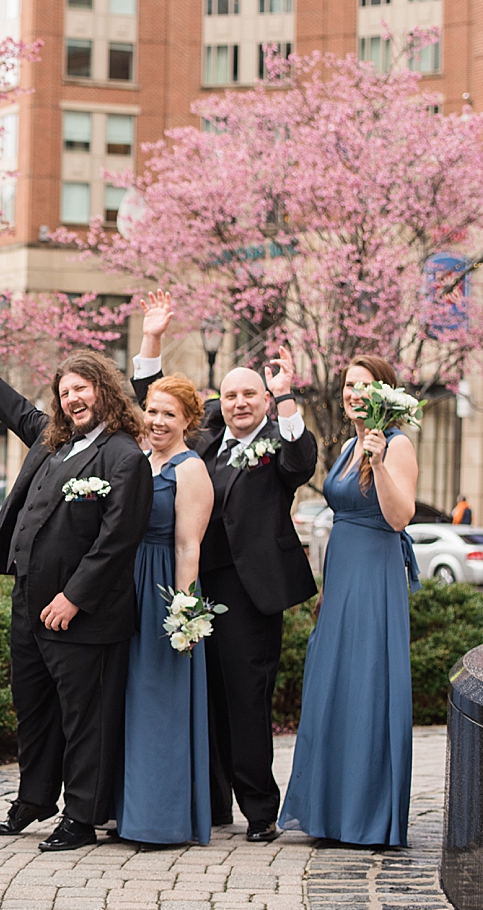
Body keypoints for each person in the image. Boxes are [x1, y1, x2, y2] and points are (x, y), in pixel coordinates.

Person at [131, 311, 317, 843]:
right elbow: (158, 407)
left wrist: (286, 399)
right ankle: (213, 804)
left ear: (263, 401)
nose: (239, 403)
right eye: (231, 395)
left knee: (244, 697)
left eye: (250, 396)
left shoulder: (281, 442)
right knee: (204, 695)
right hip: (198, 582)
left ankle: (260, 810)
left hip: (251, 593)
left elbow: (302, 462)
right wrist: (154, 339)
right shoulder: (207, 439)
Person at [0, 342, 152, 852]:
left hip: (82, 612)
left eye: (81, 389)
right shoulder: (51, 442)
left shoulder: (123, 455)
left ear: (103, 390)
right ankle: (34, 799)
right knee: (34, 706)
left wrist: (74, 597)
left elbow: (117, 540)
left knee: (84, 714)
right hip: (30, 603)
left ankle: (83, 815)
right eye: (65, 391)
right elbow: (20, 411)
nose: (72, 399)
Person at [279, 355, 420, 847]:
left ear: (386, 392)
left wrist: (379, 463)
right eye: (348, 385)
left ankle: (366, 815)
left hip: (374, 576)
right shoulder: (346, 445)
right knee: (333, 679)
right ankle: (330, 813)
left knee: (366, 680)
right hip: (341, 577)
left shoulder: (395, 445)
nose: (354, 393)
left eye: (364, 385)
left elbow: (401, 517)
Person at [115, 357, 214, 847]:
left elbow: (187, 546)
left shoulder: (190, 469)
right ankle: (122, 811)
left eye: (169, 414)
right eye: (152, 411)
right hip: (125, 584)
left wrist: (182, 610)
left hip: (161, 590)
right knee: (126, 700)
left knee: (158, 703)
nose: (157, 421)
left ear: (188, 422)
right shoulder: (139, 458)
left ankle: (159, 819)